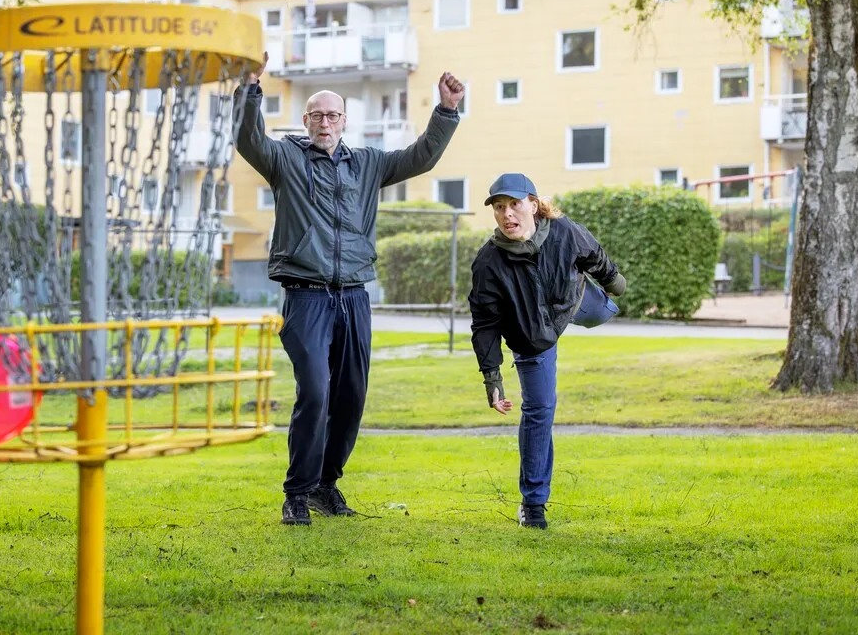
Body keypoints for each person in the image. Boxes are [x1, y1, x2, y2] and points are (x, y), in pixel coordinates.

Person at [234, 52, 465, 525]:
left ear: (344, 120)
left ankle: (325, 485)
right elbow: (248, 139)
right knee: (316, 391)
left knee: (351, 396)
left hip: (355, 295)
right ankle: (296, 493)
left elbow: (420, 157)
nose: (324, 122)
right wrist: (250, 88)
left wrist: (446, 112)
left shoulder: (368, 164)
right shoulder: (284, 159)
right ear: (305, 120)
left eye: (333, 115)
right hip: (306, 294)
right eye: (316, 114)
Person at [468, 173, 626, 529]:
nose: (507, 213)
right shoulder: (489, 263)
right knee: (540, 409)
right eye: (499, 207)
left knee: (603, 312)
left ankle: (595, 300)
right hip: (532, 335)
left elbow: (592, 253)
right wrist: (492, 379)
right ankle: (534, 505)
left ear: (534, 206)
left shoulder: (563, 231)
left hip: (573, 301)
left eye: (514, 204)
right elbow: (486, 325)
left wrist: (614, 280)